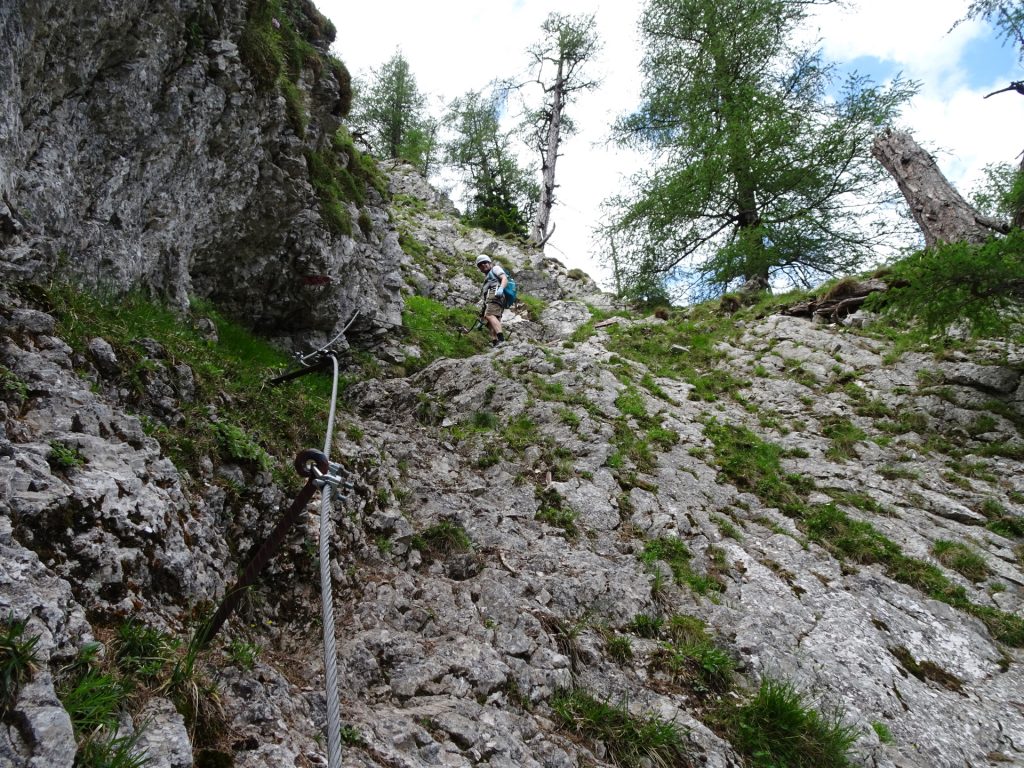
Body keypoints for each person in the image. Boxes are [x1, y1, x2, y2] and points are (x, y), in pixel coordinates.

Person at [475, 254, 507, 346]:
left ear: (490, 263)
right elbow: (486, 300)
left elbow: (504, 278)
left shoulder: (495, 269)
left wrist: (501, 288)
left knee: (489, 315)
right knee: (490, 322)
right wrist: (481, 319)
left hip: (496, 293)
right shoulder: (487, 278)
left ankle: (501, 339)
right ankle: (495, 342)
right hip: (491, 297)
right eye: (480, 264)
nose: (483, 265)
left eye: (485, 262)